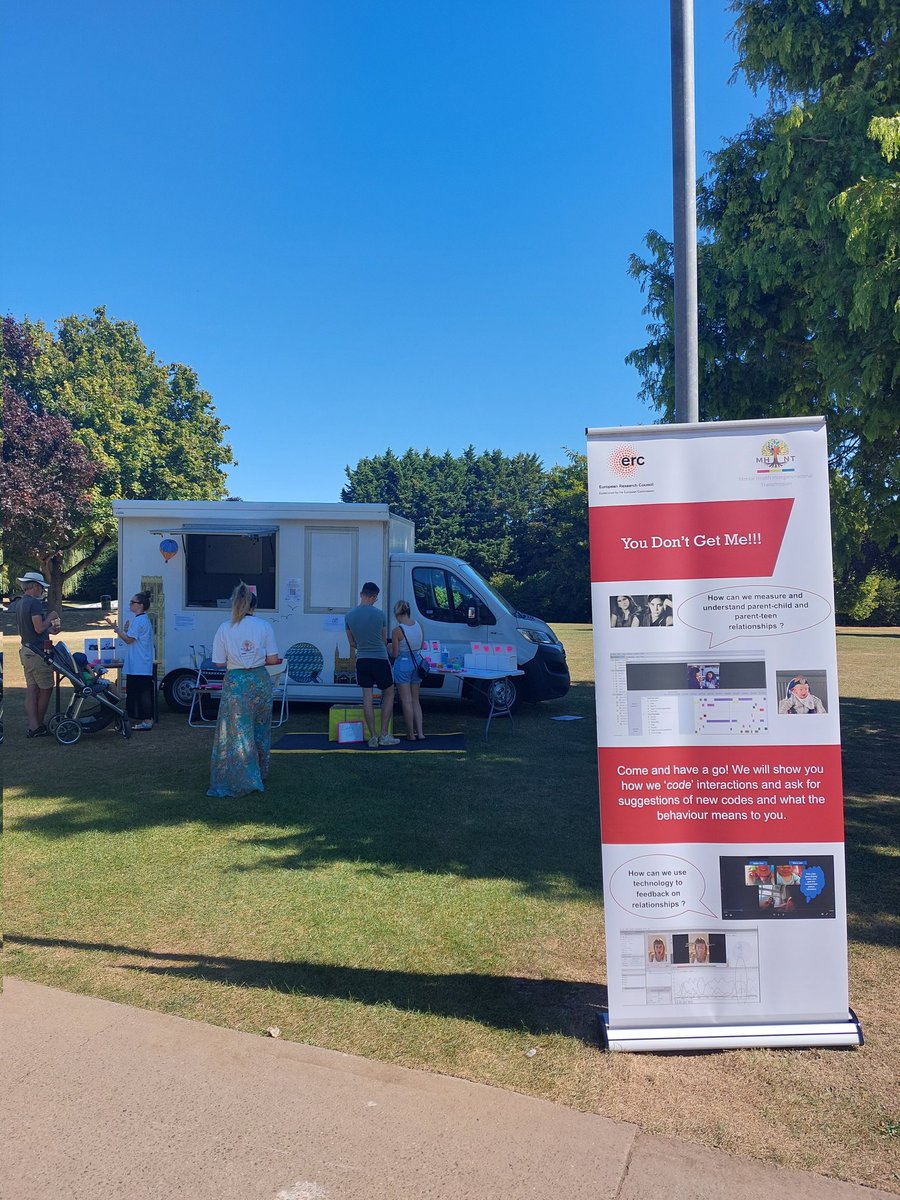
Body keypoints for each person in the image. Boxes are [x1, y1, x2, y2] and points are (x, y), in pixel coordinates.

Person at [207, 583, 281, 798]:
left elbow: (218, 663)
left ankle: (240, 775)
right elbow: (273, 659)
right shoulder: (264, 626)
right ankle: (259, 771)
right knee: (260, 728)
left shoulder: (225, 628)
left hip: (237, 682)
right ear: (254, 606)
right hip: (259, 679)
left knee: (238, 731)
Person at [345, 582, 399, 748]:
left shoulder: (349, 616)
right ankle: (384, 734)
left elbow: (352, 643)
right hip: (380, 659)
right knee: (389, 692)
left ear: (361, 594)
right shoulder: (380, 615)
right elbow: (383, 641)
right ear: (374, 596)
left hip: (362, 659)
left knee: (367, 698)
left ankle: (373, 737)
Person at [16, 571, 61, 738]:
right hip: (37, 653)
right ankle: (38, 725)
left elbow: (35, 630)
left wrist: (51, 631)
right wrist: (51, 616)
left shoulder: (21, 603)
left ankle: (33, 726)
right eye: (41, 587)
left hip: (26, 649)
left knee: (32, 689)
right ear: (34, 586)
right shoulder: (34, 603)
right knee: (46, 688)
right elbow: (39, 628)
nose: (42, 590)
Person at [108, 591, 156, 730]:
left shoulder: (140, 620)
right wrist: (125, 631)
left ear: (140, 605)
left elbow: (129, 640)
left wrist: (116, 630)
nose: (130, 604)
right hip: (139, 663)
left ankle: (147, 720)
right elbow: (132, 636)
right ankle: (141, 719)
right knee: (138, 692)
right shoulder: (141, 619)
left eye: (132, 602)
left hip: (140, 664)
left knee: (143, 693)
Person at [390, 599, 426, 741]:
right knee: (416, 700)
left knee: (406, 701)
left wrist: (389, 647)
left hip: (403, 664)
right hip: (417, 662)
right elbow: (421, 645)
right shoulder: (419, 625)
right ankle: (421, 733)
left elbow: (395, 654)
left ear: (397, 614)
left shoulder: (397, 631)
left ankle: (411, 734)